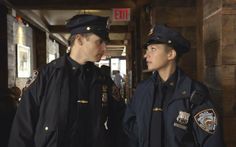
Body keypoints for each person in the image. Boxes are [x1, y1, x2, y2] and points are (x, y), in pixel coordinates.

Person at [9, 14, 126, 147]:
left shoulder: (102, 79)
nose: (104, 48)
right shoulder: (46, 76)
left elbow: (120, 123)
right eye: (99, 41)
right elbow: (23, 128)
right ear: (79, 39)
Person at [123, 24, 224, 147]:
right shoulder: (142, 90)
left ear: (170, 54)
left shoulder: (194, 93)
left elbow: (211, 140)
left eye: (153, 49)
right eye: (147, 50)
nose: (146, 55)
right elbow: (130, 128)